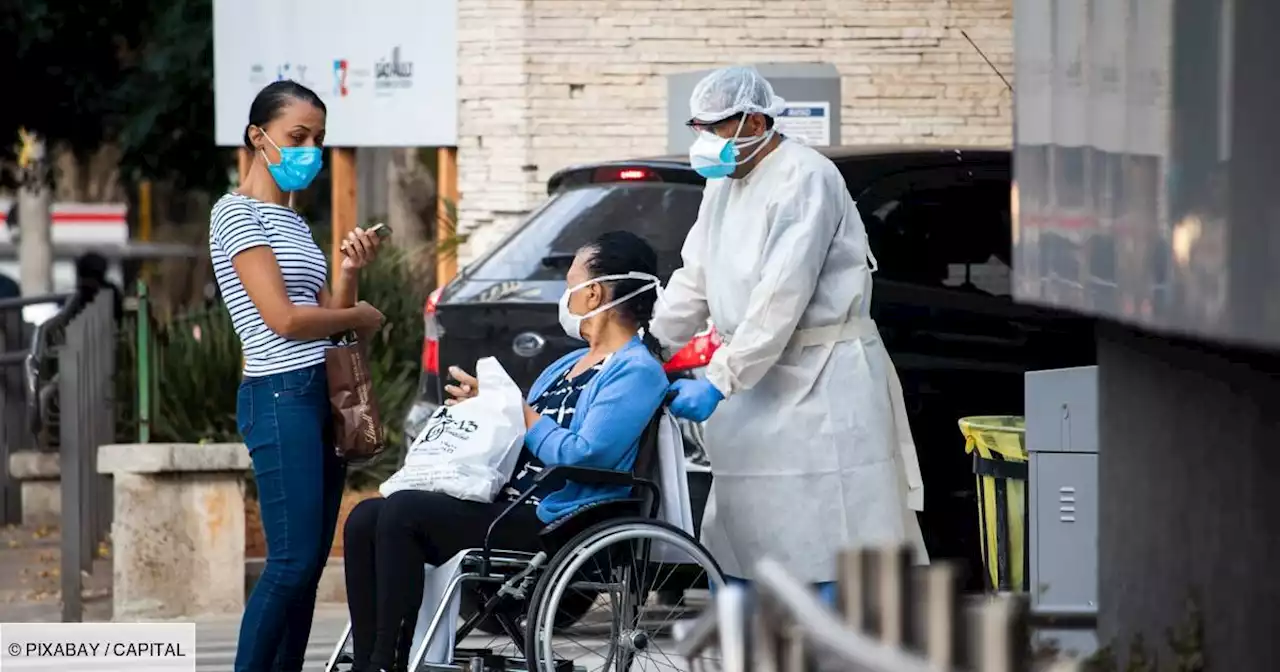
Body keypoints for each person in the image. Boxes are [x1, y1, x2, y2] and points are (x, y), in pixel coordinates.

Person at [650, 66, 928, 597]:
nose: (705, 142)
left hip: (819, 382)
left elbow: (780, 296)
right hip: (754, 385)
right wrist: (652, 343)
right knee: (747, 531)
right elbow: (696, 276)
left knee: (827, 529)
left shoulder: (806, 177)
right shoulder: (725, 184)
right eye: (698, 128)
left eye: (716, 127)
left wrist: (721, 378)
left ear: (754, 119)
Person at [342, 231, 668, 672]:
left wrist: (524, 413)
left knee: (404, 513)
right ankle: (370, 660)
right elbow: (520, 428)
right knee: (365, 517)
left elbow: (585, 453)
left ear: (594, 292)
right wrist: (489, 403)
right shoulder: (562, 366)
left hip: (559, 520)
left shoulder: (638, 371)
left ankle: (388, 662)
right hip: (507, 503)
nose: (565, 294)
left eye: (570, 282)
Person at [210, 79, 387, 672]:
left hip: (319, 393)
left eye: (318, 138)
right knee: (288, 562)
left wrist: (349, 272)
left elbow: (333, 324)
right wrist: (357, 314)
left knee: (309, 565)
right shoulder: (234, 215)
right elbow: (284, 320)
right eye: (297, 136)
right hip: (278, 394)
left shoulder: (292, 221)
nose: (310, 149)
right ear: (259, 138)